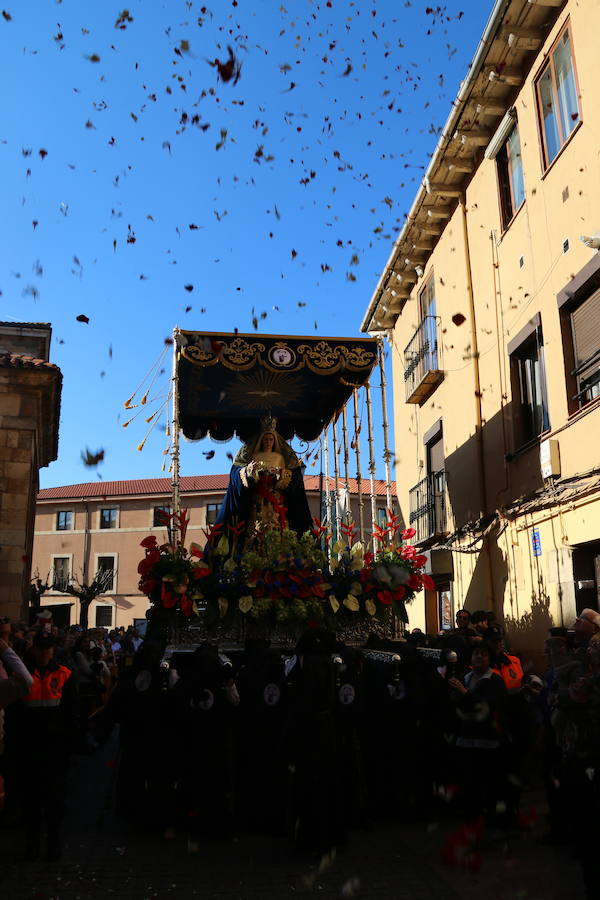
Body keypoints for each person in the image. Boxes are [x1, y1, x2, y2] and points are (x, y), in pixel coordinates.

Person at [11, 631, 79, 861]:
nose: (44, 653)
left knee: (54, 800)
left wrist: (70, 743)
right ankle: (33, 843)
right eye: (40, 648)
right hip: (30, 746)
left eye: (47, 648)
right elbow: (14, 713)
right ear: (34, 650)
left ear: (52, 650)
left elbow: (72, 712)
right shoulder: (22, 675)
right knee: (31, 799)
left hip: (54, 747)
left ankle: (52, 843)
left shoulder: (64, 674)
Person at [213, 415, 312, 552]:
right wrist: (249, 472)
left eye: (271, 439)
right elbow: (241, 476)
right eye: (266, 439)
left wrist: (280, 475)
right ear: (261, 440)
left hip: (276, 500)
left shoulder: (280, 457)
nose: (268, 442)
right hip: (258, 500)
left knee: (277, 527)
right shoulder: (255, 456)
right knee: (256, 528)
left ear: (274, 440)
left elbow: (289, 479)